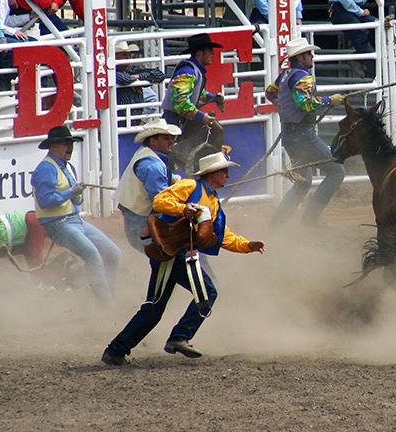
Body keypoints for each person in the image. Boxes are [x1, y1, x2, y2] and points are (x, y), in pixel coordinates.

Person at [102, 152, 265, 366]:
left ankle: (117, 350)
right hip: (169, 251)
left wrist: (246, 246)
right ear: (212, 174)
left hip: (174, 252)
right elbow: (161, 201)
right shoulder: (190, 186)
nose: (227, 174)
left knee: (156, 308)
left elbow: (221, 234)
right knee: (204, 293)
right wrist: (182, 208)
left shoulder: (212, 201)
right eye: (224, 170)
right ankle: (178, 337)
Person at [32, 125, 121, 301]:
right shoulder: (46, 168)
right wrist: (72, 193)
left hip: (73, 221)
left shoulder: (65, 166)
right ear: (54, 145)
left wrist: (76, 198)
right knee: (92, 255)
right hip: (58, 224)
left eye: (71, 142)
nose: (70, 147)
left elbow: (65, 197)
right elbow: (45, 201)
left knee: (113, 253)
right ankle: (106, 302)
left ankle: (108, 293)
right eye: (66, 143)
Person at [265, 38, 346, 223]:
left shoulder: (285, 74)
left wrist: (283, 108)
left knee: (303, 183)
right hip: (303, 136)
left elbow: (270, 93)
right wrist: (329, 101)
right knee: (336, 172)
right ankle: (310, 218)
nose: (312, 56)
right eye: (309, 54)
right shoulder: (303, 77)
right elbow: (305, 104)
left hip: (290, 135)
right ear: (300, 57)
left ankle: (277, 223)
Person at [160, 33, 226, 166]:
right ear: (200, 53)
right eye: (210, 51)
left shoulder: (193, 71)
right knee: (169, 158)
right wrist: (202, 117)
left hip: (180, 122)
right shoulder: (188, 71)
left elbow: (194, 93)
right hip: (174, 122)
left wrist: (213, 97)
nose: (213, 54)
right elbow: (181, 102)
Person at [116, 120, 181, 252]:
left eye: (171, 138)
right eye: (166, 138)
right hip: (140, 220)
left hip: (136, 215)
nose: (171, 142)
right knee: (166, 253)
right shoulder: (152, 166)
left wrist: (174, 180)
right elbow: (162, 200)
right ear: (153, 141)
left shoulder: (145, 154)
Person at [115, 40, 163, 119]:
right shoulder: (112, 73)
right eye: (124, 54)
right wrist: (137, 79)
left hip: (131, 118)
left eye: (128, 54)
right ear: (114, 56)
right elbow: (123, 78)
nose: (128, 57)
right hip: (120, 119)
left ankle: (142, 119)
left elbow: (159, 75)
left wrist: (137, 77)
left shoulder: (131, 71)